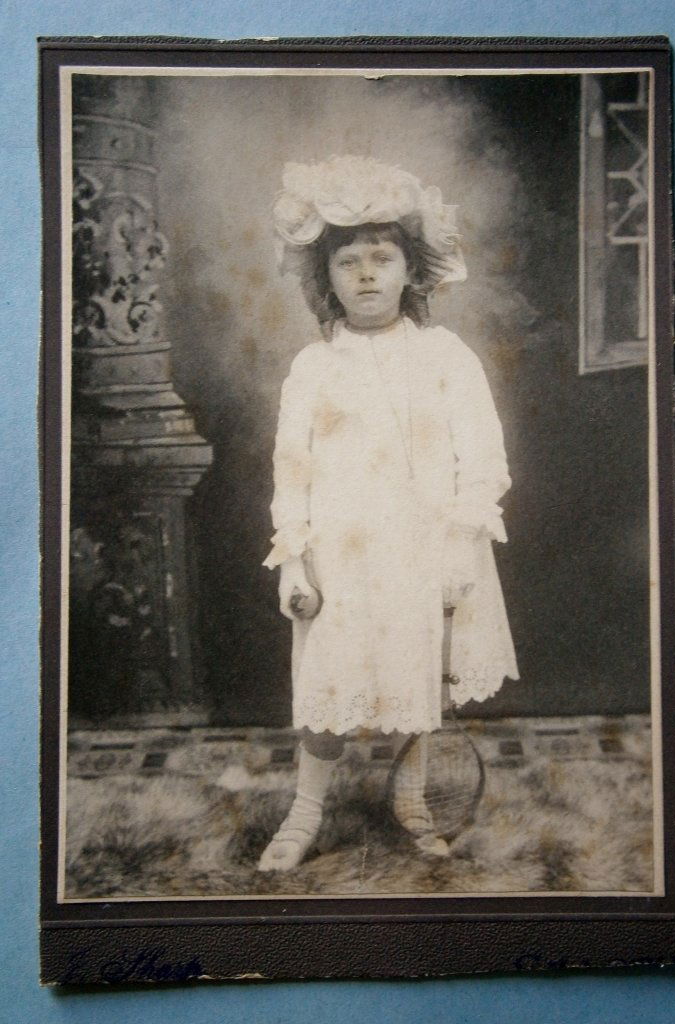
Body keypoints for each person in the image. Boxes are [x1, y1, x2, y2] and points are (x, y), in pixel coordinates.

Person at [258, 155, 519, 872]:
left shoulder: (445, 356)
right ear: (326, 278)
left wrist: (461, 548)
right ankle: (305, 809)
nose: (367, 274)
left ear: (411, 269)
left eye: (382, 258)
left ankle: (412, 799)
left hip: (424, 548)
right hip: (341, 556)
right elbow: (292, 470)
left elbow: (484, 460)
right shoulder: (313, 368)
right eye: (348, 262)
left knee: (419, 677)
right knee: (325, 689)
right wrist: (296, 560)